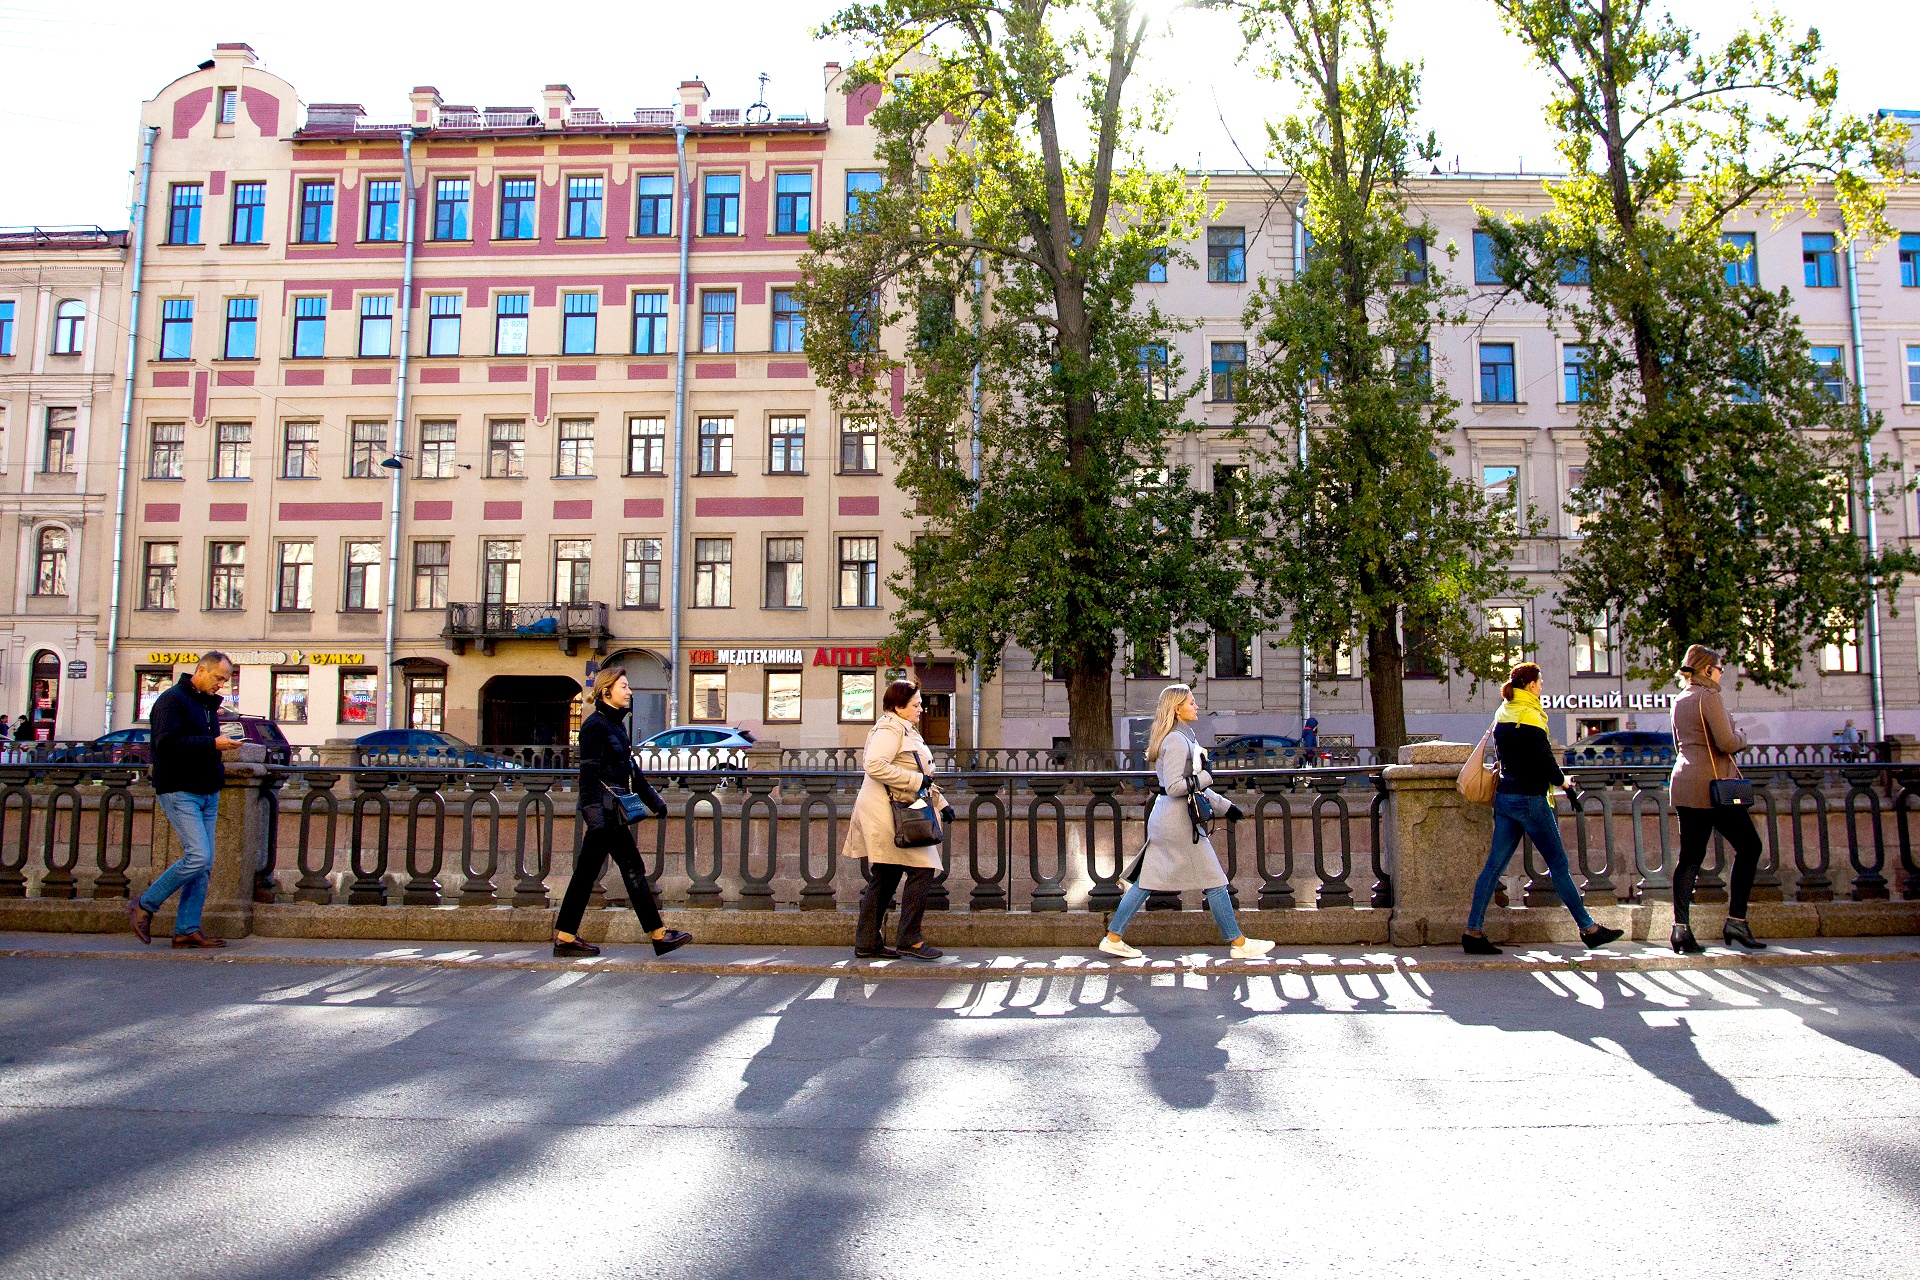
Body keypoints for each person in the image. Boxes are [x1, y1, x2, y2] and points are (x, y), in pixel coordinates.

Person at [1098, 684, 1275, 960]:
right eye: (1191, 702)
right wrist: (1207, 775)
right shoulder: (1177, 741)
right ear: (1176, 709)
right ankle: (1239, 944)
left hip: (1169, 819)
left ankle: (1113, 936)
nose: (1196, 706)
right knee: (1215, 880)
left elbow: (1191, 787)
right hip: (1177, 822)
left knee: (1147, 881)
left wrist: (1225, 806)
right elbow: (1176, 787)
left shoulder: (1180, 738)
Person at [1461, 662, 1624, 955]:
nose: (1542, 686)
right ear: (1532, 685)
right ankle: (1588, 928)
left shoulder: (1504, 712)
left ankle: (1473, 931)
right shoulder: (1532, 715)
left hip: (1506, 797)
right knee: (1558, 865)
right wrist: (1563, 782)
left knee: (1493, 867)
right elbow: (1544, 759)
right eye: (1540, 682)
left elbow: (1504, 754)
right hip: (1532, 799)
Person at [552, 667, 689, 958]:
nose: (629, 691)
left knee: (593, 873)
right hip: (604, 813)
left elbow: (630, 771)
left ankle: (566, 936)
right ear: (606, 691)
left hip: (611, 811)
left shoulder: (614, 725)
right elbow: (587, 775)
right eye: (624, 686)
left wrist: (654, 801)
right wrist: (595, 817)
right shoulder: (594, 726)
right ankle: (658, 934)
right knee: (629, 869)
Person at [127, 653, 239, 948]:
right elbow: (165, 744)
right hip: (179, 789)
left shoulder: (205, 703)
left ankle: (186, 929)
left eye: (225, 680)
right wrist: (213, 743)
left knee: (204, 864)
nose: (221, 685)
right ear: (201, 670)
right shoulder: (171, 700)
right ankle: (144, 905)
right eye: (218, 678)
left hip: (207, 790)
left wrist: (216, 747)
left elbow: (200, 744)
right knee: (198, 856)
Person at [845, 679, 953, 961]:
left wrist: (941, 803)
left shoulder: (905, 729)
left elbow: (915, 770)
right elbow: (875, 765)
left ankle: (868, 941)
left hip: (896, 809)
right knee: (923, 868)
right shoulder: (889, 729)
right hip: (886, 812)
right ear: (898, 707)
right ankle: (909, 939)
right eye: (915, 705)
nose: (921, 709)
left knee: (886, 874)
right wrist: (919, 781)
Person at [1669, 645, 1766, 953]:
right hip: (1713, 789)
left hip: (1684, 783)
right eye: (1720, 668)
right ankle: (1736, 920)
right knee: (1750, 847)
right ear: (1708, 670)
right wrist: (1743, 737)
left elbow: (1678, 745)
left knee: (1690, 859)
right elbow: (1725, 743)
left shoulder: (1680, 699)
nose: (1722, 673)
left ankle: (1680, 929)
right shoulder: (1709, 698)